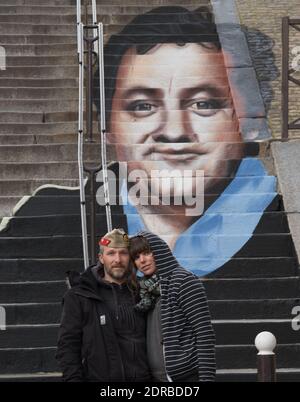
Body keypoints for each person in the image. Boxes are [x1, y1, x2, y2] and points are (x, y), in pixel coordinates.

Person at [92, 5, 296, 277]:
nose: (175, 131)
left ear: (247, 122)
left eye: (203, 104)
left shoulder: (280, 215)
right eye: (142, 106)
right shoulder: (49, 216)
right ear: (108, 128)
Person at [56, 228, 151, 382]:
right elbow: (68, 347)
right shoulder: (80, 296)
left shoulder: (144, 292)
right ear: (101, 258)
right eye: (111, 253)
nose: (118, 260)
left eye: (123, 253)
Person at [129, 231, 216, 382]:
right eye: (136, 257)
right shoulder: (145, 291)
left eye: (147, 253)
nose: (142, 260)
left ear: (159, 251)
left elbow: (205, 334)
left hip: (187, 378)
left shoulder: (183, 281)